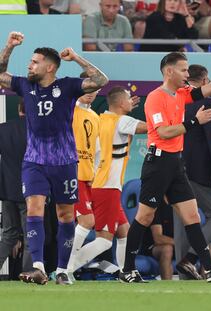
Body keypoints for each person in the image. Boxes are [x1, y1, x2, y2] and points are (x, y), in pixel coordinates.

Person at [120, 51, 211, 283]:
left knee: (192, 215)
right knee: (144, 217)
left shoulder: (181, 94)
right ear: (169, 71)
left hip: (176, 163)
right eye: (183, 70)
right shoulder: (156, 97)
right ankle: (127, 269)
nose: (187, 74)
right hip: (158, 164)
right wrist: (195, 121)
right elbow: (163, 132)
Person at [0, 31, 109, 285]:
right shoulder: (25, 85)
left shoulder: (68, 85)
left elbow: (101, 79)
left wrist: (77, 58)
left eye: (35, 61)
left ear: (50, 67)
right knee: (34, 208)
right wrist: (8, 47)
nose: (29, 65)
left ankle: (62, 270)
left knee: (65, 216)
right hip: (34, 161)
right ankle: (38, 266)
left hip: (64, 162)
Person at [68, 86, 147, 273]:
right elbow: (152, 128)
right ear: (120, 103)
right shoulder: (120, 120)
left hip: (102, 183)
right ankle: (66, 267)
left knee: (124, 231)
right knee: (104, 240)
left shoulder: (100, 118)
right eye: (128, 98)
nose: (131, 100)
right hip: (106, 185)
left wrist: (124, 108)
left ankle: (124, 272)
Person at [174, 64, 211, 280]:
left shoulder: (175, 100)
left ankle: (185, 274)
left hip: (175, 170)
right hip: (201, 172)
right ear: (205, 82)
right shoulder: (205, 102)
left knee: (182, 222)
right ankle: (191, 257)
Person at [66, 73, 100, 276]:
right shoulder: (68, 110)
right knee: (87, 222)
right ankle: (66, 268)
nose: (91, 93)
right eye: (88, 87)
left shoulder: (95, 117)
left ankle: (65, 267)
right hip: (71, 174)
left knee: (77, 223)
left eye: (95, 89)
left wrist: (96, 173)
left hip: (88, 177)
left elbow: (96, 150)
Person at [0, 102, 32, 274]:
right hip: (31, 190)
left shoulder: (3, 129)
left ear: (19, 110)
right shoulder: (37, 130)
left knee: (8, 234)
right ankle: (28, 273)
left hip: (7, 189)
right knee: (30, 235)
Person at [140, 201, 175, 280]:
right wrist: (180, 243)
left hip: (177, 245)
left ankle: (205, 285)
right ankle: (168, 286)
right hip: (154, 247)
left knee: (205, 246)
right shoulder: (156, 208)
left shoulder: (183, 206)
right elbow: (158, 238)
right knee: (167, 249)